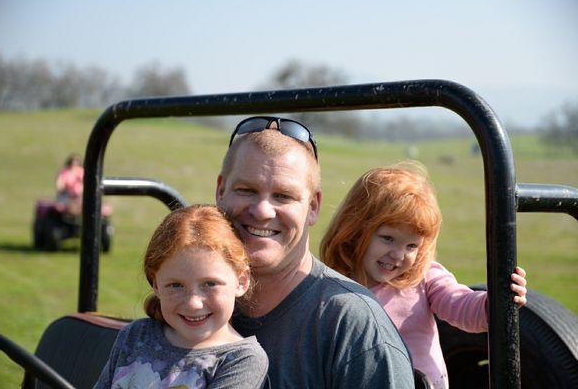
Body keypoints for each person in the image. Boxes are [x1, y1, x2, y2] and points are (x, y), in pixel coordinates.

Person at [215, 116, 414, 388]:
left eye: (283, 196)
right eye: (246, 190)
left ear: (313, 207)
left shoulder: (353, 326)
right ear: (220, 191)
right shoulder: (190, 299)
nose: (262, 211)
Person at [320, 162, 528, 389]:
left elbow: (459, 304)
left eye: (411, 245)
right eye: (388, 238)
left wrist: (495, 302)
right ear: (356, 230)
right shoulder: (332, 285)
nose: (398, 255)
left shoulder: (424, 276)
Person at [94, 205, 268, 388]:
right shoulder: (135, 335)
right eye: (176, 285)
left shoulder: (242, 360)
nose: (193, 303)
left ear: (241, 282)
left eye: (210, 284)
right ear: (156, 285)